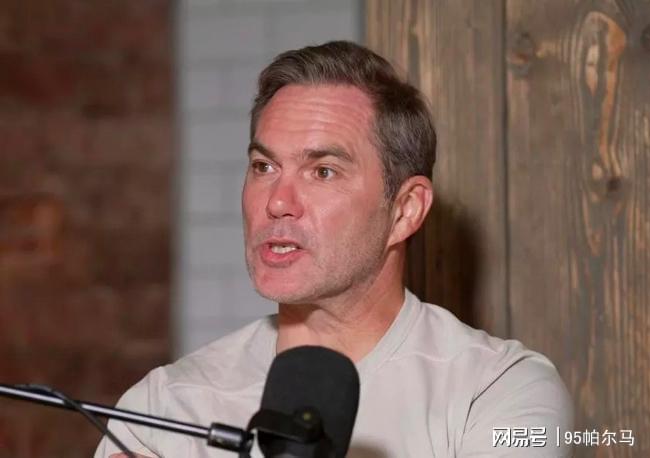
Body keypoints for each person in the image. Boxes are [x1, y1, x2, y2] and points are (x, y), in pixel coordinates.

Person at [96, 40, 573, 458]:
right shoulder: (164, 406)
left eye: (322, 171)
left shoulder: (499, 390)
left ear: (405, 210)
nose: (277, 202)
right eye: (264, 167)